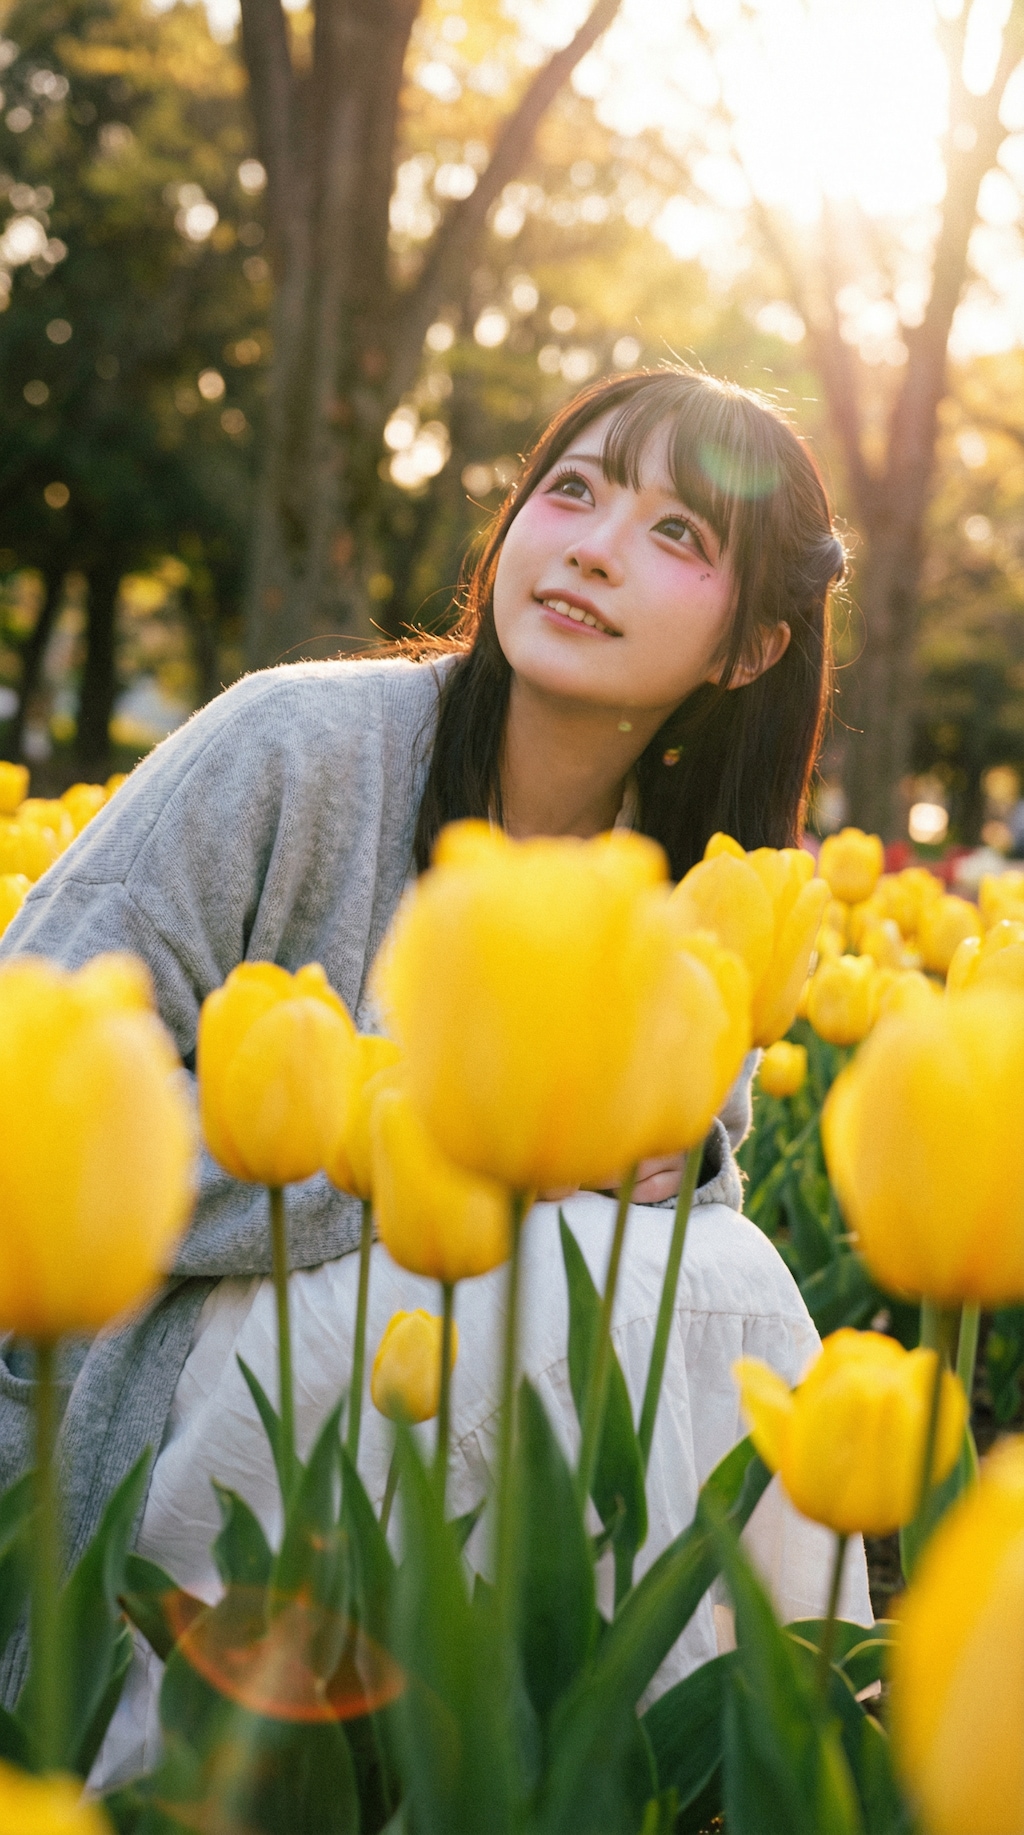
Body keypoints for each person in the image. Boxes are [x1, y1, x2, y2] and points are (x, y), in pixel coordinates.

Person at [0, 368, 873, 1779]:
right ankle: (197, 1768)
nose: (591, 544)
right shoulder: (297, 750)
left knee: (713, 1282)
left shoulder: (685, 886)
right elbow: (25, 1091)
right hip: (154, 1357)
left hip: (461, 1370)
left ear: (751, 650)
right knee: (635, 1275)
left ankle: (695, 1756)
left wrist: (664, 1156)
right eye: (573, 490)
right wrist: (419, 1150)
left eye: (676, 535)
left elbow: (678, 1162)